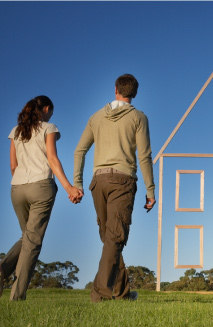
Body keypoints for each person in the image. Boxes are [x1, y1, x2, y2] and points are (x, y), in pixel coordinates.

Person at [0, 95, 83, 301]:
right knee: (32, 242)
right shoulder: (48, 128)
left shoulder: (16, 131)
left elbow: (13, 166)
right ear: (47, 109)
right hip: (41, 187)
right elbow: (51, 158)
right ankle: (16, 297)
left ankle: (0, 268)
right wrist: (69, 187)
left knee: (27, 237)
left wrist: (22, 182)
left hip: (17, 188)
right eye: (51, 112)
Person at [72, 74, 155, 302]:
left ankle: (122, 293)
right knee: (114, 238)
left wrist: (77, 184)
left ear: (115, 89)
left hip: (98, 182)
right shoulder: (139, 117)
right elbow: (145, 156)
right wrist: (151, 190)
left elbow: (79, 151)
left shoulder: (96, 117)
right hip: (122, 181)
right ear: (134, 93)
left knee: (110, 238)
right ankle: (99, 294)